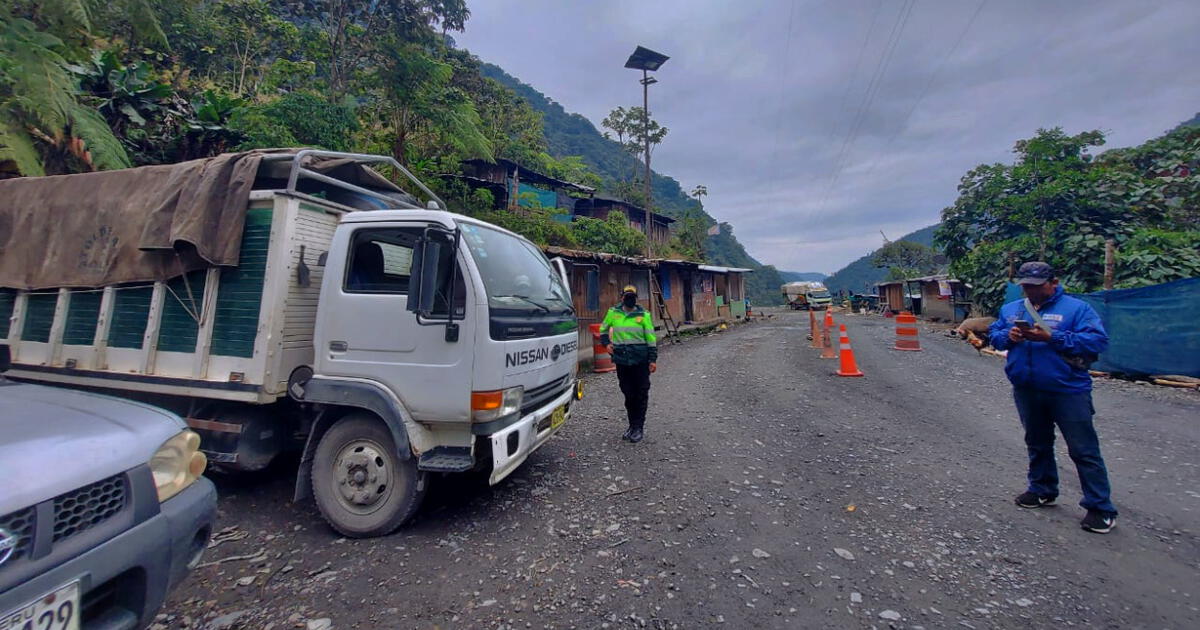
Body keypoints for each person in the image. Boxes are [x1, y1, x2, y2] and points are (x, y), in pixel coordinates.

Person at [988, 262, 1117, 534]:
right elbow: (995, 337)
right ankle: (1042, 489)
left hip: (1068, 389)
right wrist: (1008, 337)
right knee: (1037, 442)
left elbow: (1096, 342)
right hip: (1026, 388)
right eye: (1025, 286)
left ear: (1053, 283)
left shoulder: (1077, 309)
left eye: (1036, 286)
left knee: (1083, 449)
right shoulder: (1013, 310)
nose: (1030, 291)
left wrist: (1052, 337)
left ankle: (1100, 507)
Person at [599, 284, 658, 443]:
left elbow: (651, 339)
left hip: (640, 360)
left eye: (633, 295)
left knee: (641, 393)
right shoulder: (614, 313)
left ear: (636, 298)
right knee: (628, 393)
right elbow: (603, 330)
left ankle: (638, 427)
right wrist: (606, 344)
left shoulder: (643, 315)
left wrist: (652, 359)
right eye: (627, 295)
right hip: (622, 360)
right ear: (622, 297)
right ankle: (632, 426)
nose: (630, 298)